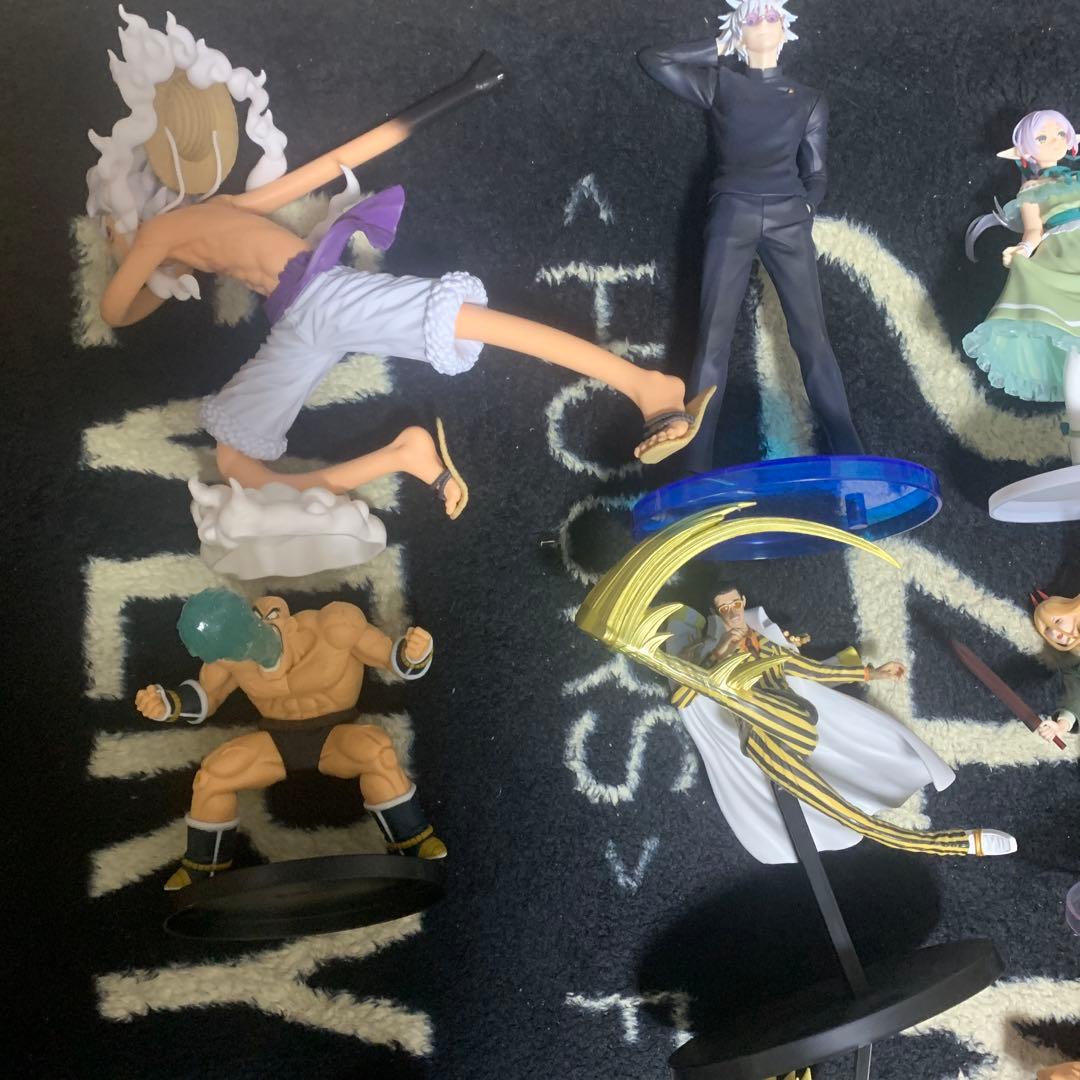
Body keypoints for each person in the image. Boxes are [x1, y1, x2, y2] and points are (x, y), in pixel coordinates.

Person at [90, 12, 714, 519]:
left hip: (323, 295)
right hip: (300, 326)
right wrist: (144, 262)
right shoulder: (199, 224)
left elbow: (116, 311)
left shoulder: (172, 228)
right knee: (236, 465)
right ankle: (403, 456)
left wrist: (133, 256)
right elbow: (331, 164)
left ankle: (645, 386)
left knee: (465, 322)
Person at [638, 0, 863, 471]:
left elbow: (817, 173)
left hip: (787, 215)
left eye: (771, 15)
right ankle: (695, 467)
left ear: (786, 29)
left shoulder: (808, 99)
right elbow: (654, 60)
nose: (763, 23)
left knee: (813, 340)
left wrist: (805, 207)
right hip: (731, 213)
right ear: (739, 29)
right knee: (711, 343)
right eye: (752, 16)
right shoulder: (722, 83)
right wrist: (719, 45)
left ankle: (852, 458)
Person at [663, 582, 1018, 861]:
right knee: (842, 811)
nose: (733, 612)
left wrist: (871, 673)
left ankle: (943, 842)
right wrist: (721, 651)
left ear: (742, 602)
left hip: (796, 721)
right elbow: (686, 694)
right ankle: (953, 844)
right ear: (717, 613)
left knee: (770, 723)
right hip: (760, 741)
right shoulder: (710, 653)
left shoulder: (766, 647)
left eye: (735, 604)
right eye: (724, 609)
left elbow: (811, 671)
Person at [134, 590, 444, 891]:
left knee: (375, 750)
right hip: (276, 739)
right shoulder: (228, 657)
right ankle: (202, 870)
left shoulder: (335, 626)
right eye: (234, 650)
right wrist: (167, 703)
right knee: (214, 775)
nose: (246, 652)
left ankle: (413, 841)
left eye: (246, 641)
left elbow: (391, 658)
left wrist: (413, 653)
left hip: (334, 733)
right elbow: (207, 695)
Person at [965, 111, 1080, 459]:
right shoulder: (1032, 189)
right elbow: (1033, 231)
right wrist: (1023, 250)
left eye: (1060, 134)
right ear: (1026, 150)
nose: (1054, 142)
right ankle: (1078, 437)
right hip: (1060, 255)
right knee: (1073, 347)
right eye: (1042, 138)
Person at [1030, 589, 1080, 743]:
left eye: (1057, 621)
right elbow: (1075, 698)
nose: (1054, 632)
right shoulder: (1073, 666)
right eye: (1047, 630)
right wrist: (1061, 726)